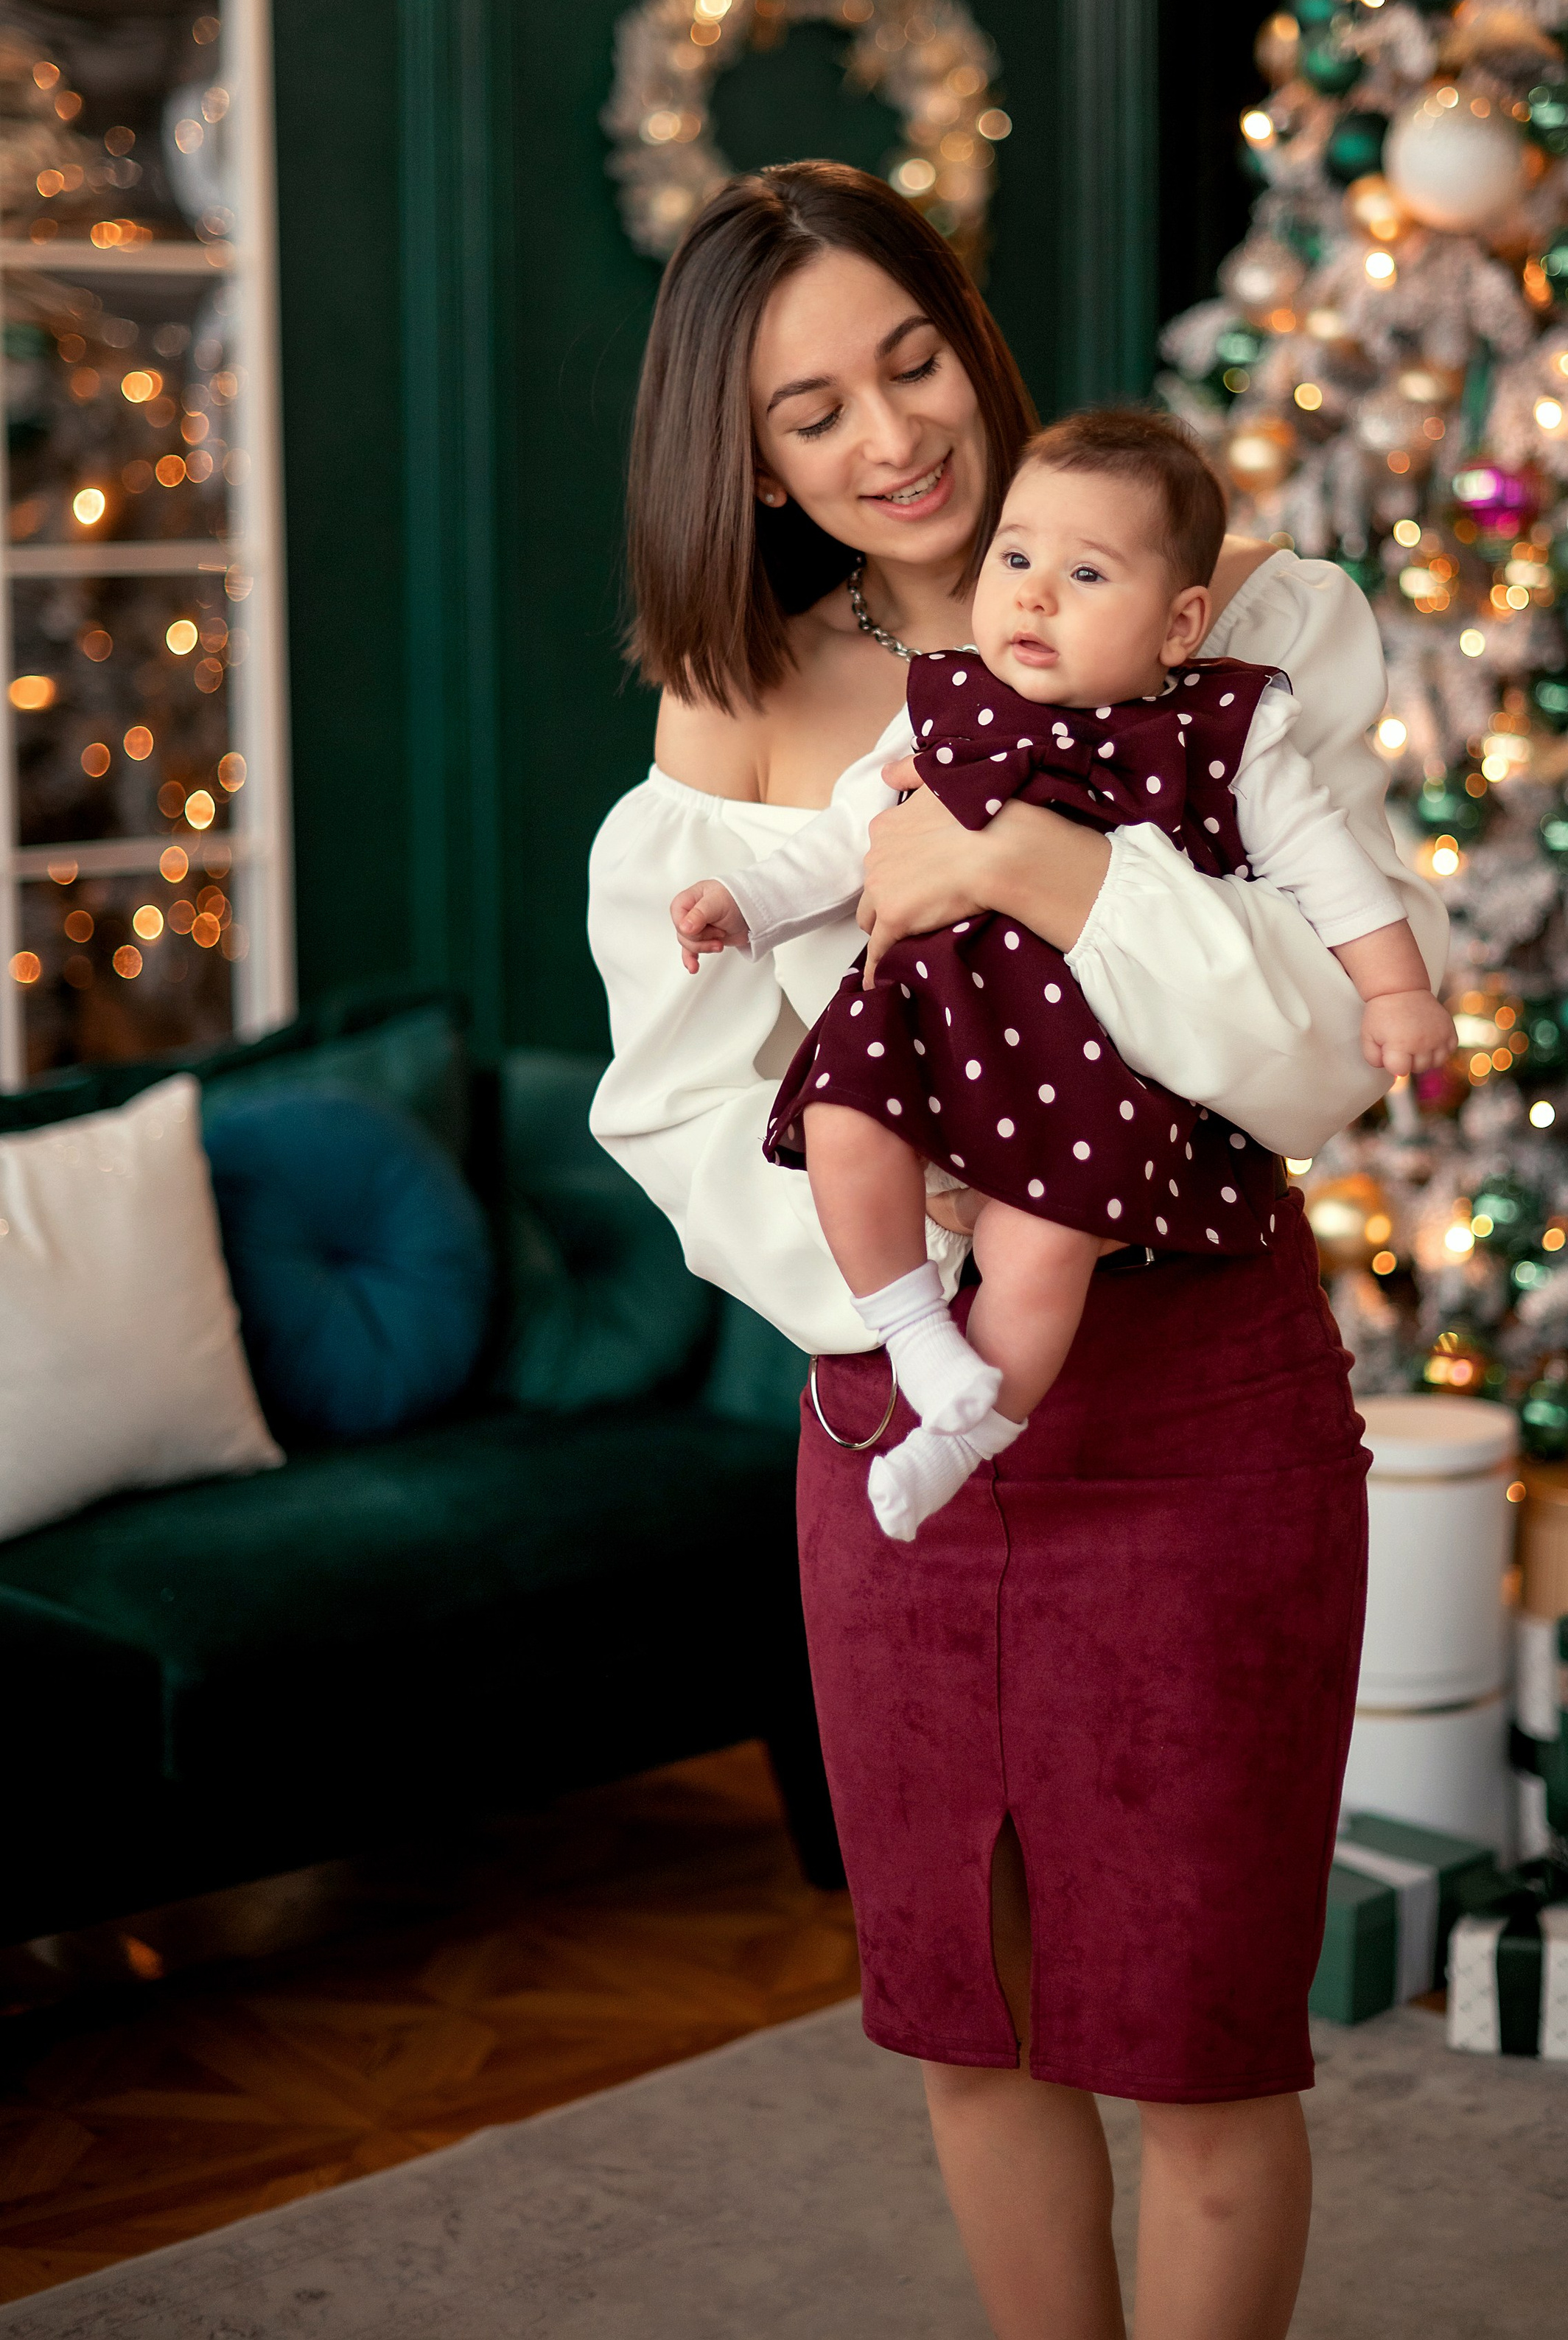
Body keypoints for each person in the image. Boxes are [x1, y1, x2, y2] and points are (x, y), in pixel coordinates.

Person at [589, 161, 1446, 2340]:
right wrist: (920, 1261)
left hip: (1203, 1411)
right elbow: (685, 1115)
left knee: (1201, 2037)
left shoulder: (1234, 616)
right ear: (746, 457)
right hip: (902, 1427)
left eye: (911, 355)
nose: (892, 436)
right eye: (811, 413)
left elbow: (1319, 1053)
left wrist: (1059, 869)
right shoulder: (733, 720)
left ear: (974, 329)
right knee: (973, 2029)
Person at [668, 409, 1454, 1540]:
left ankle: (975, 1425)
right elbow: (843, 843)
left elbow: (1330, 877)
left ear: (1183, 623)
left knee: (1045, 1241)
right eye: (1017, 559)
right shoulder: (945, 704)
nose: (1034, 596)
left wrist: (1395, 993)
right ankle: (919, 1340)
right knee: (843, 1124)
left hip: (1087, 1066)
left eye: (1086, 574)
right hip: (934, 1030)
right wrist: (744, 905)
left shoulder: (1221, 733)